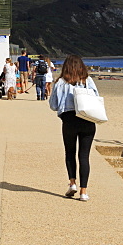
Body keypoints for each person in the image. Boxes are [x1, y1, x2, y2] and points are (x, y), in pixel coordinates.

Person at [48, 54, 99, 201]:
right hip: (87, 120)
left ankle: (72, 183)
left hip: (69, 120)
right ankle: (84, 192)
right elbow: (96, 99)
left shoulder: (61, 83)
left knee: (70, 153)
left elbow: (53, 105)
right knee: (84, 156)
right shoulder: (88, 81)